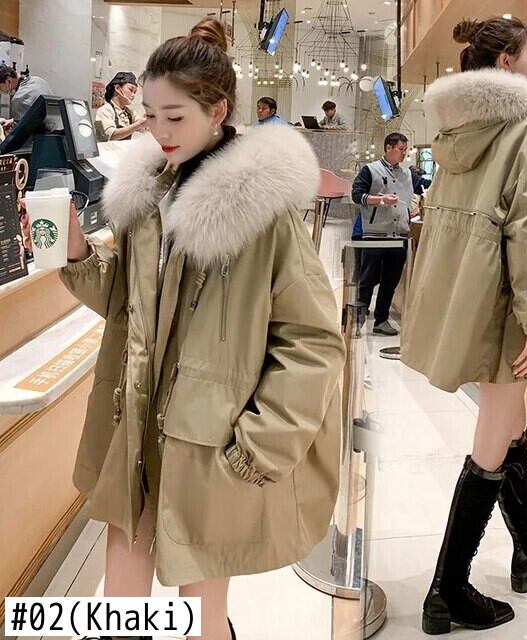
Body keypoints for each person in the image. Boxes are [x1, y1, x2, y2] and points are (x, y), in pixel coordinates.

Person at [22, 17, 344, 640]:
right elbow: (126, 301)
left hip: (209, 440)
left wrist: (259, 445)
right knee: (122, 604)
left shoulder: (263, 211)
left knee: (201, 611)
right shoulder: (147, 196)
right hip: (135, 421)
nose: (160, 131)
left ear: (218, 110)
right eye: (150, 115)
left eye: (175, 116)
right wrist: (77, 253)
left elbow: (312, 340)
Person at [401, 16, 527, 634]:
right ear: (506, 62)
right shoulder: (519, 128)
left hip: (468, 296)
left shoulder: (454, 130)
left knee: (508, 419)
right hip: (504, 301)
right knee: (493, 433)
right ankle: (448, 588)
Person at [351, 132, 423, 336]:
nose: (404, 154)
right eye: (401, 149)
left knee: (390, 282)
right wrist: (380, 200)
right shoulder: (370, 170)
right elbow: (356, 195)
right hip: (374, 235)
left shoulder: (408, 174)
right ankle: (357, 320)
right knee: (367, 280)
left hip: (399, 235)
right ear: (388, 148)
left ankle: (381, 320)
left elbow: (424, 186)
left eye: (405, 150)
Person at [95, 71, 147, 142]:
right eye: (131, 90)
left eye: (135, 92)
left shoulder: (129, 112)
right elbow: (111, 135)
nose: (133, 95)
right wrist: (138, 125)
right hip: (108, 149)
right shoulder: (104, 110)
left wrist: (147, 122)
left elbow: (142, 125)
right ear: (118, 88)